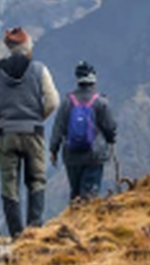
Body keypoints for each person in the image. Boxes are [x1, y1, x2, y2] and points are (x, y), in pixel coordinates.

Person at [0, 27, 59, 238]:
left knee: (9, 184)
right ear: (27, 48)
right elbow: (53, 102)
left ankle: (15, 233)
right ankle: (34, 231)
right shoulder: (39, 69)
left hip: (7, 134)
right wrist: (38, 118)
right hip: (33, 132)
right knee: (36, 181)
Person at [50, 61, 118, 201]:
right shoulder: (101, 102)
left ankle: (73, 220)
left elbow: (58, 128)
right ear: (93, 79)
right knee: (89, 196)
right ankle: (85, 221)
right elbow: (110, 127)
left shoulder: (67, 102)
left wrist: (53, 150)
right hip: (95, 155)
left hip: (72, 156)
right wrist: (111, 141)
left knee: (75, 195)